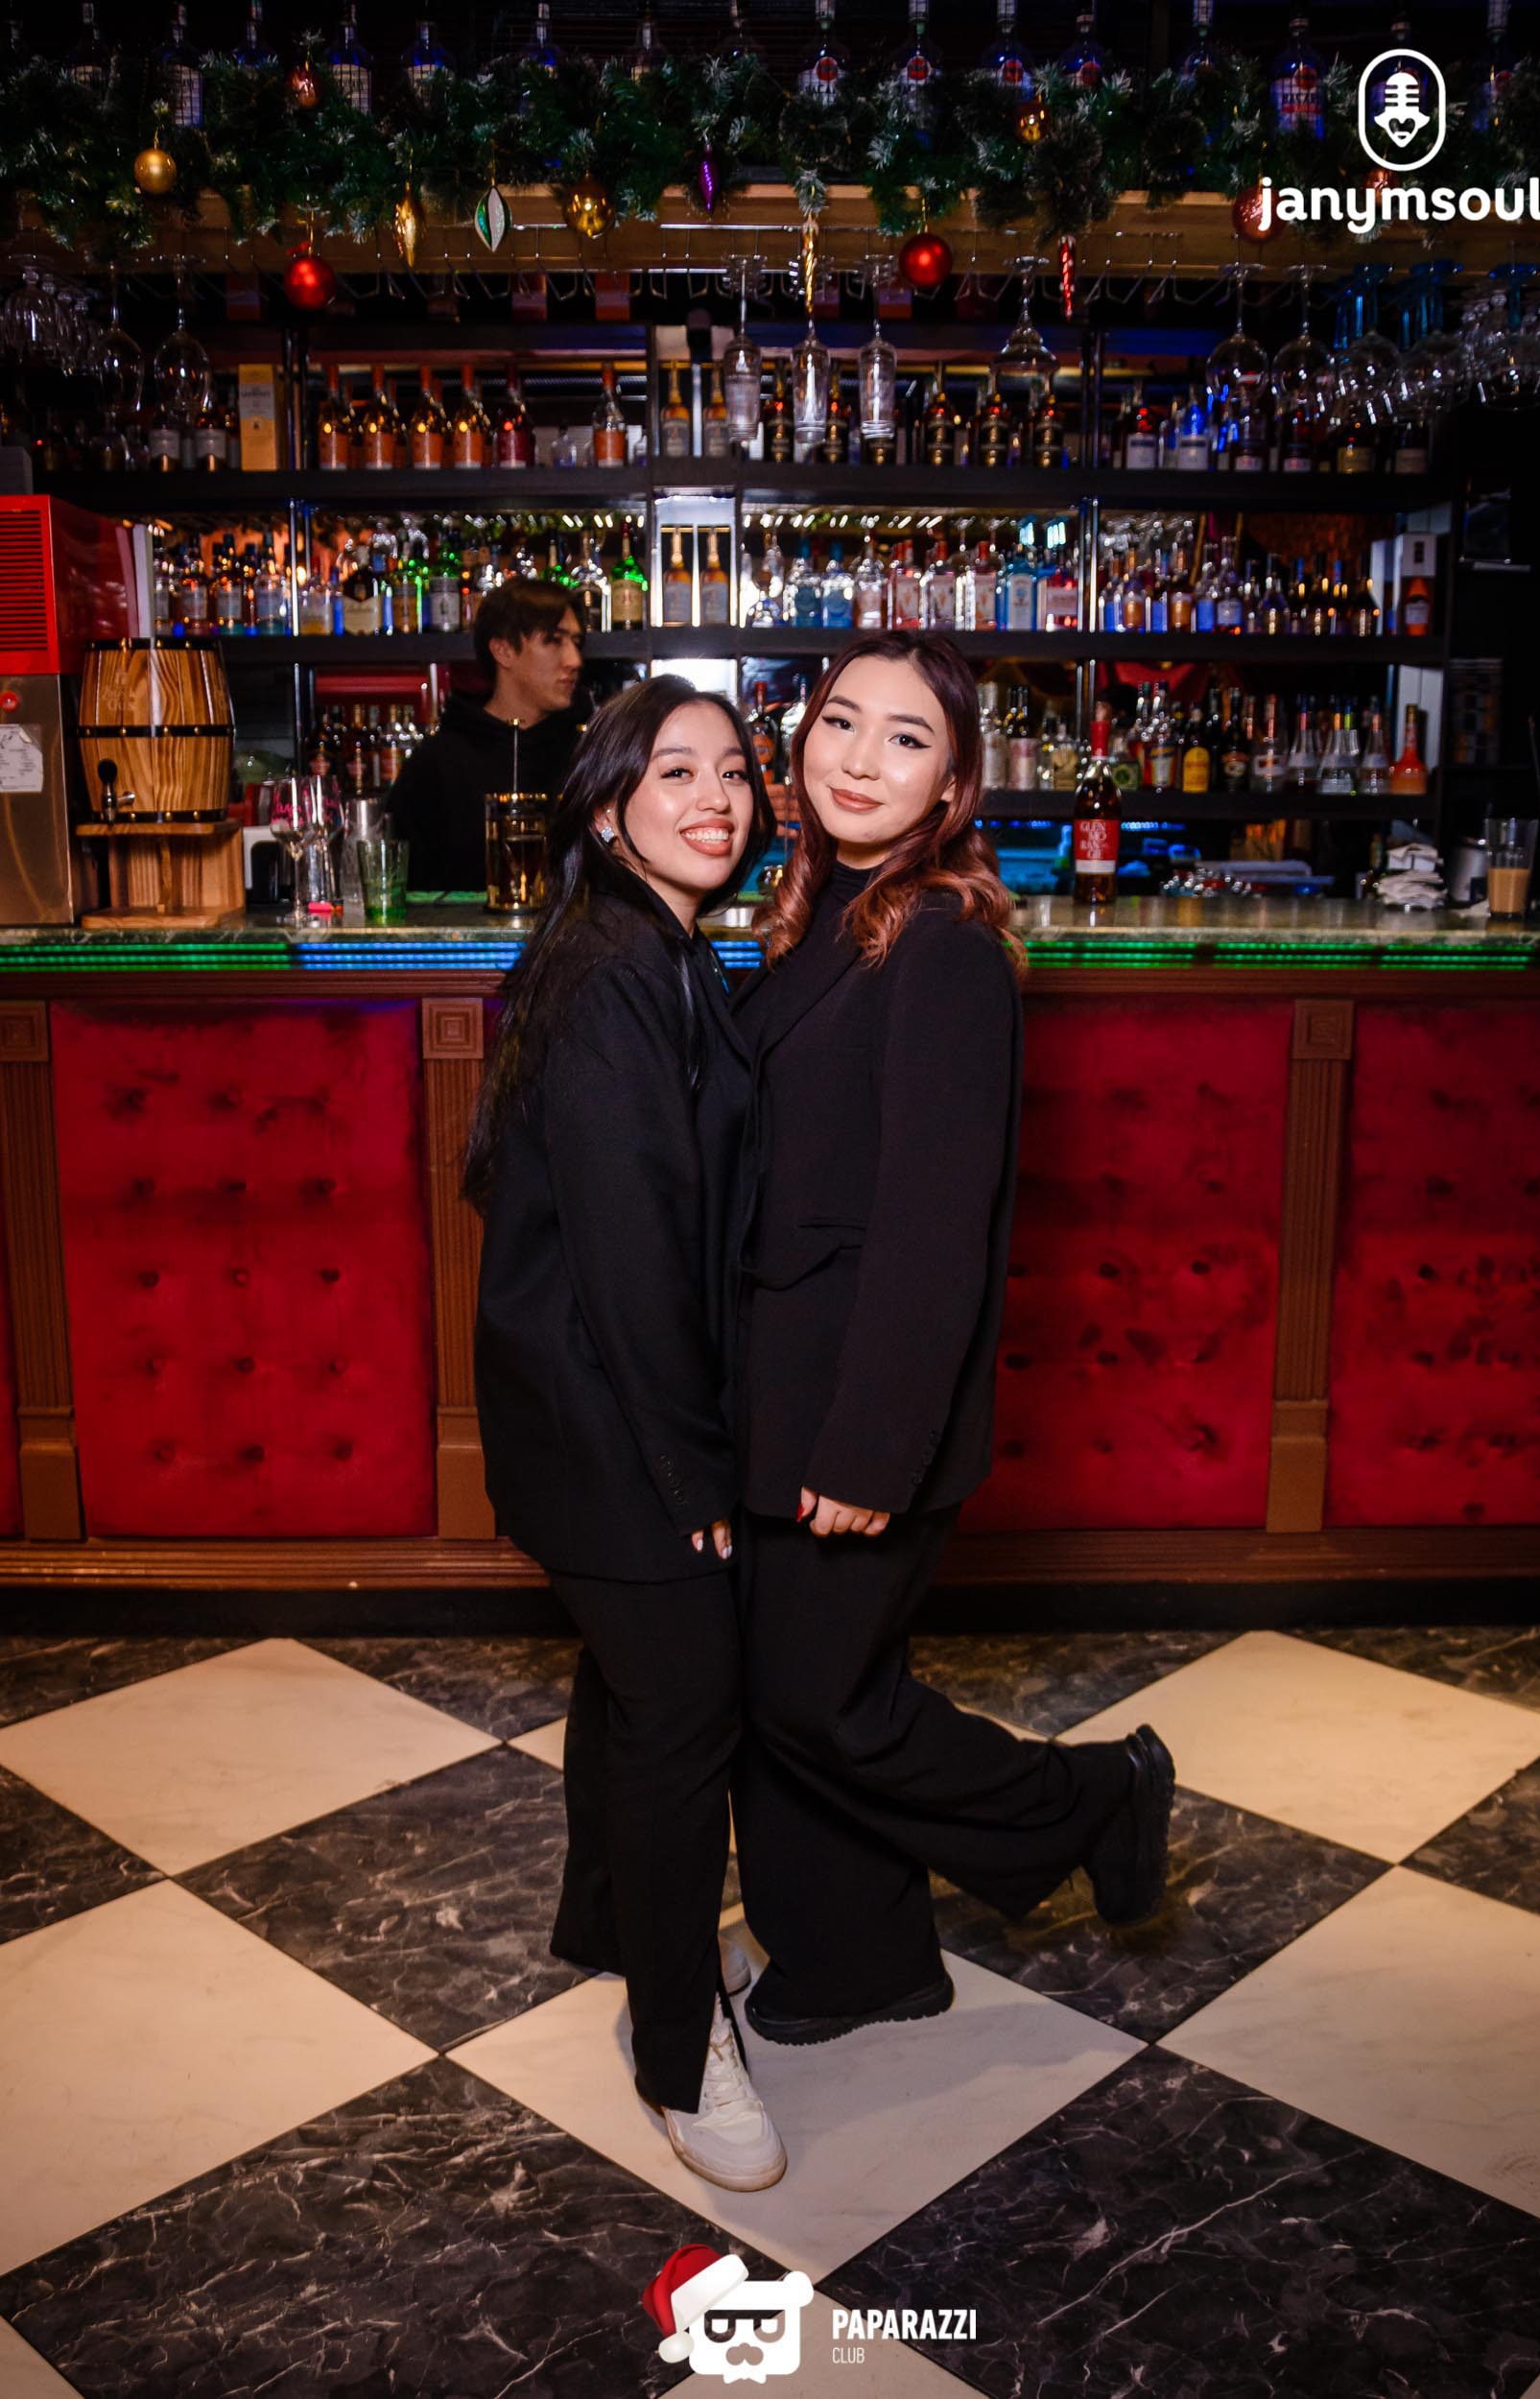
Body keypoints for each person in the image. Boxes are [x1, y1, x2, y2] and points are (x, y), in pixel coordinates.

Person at [728, 630, 1176, 2045]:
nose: (860, 759)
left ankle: (1089, 1797)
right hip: (772, 1385)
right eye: (838, 722)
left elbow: (936, 1227)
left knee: (817, 1701)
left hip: (858, 1405)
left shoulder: (942, 948)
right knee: (786, 1695)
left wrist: (872, 1448)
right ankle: (857, 1957)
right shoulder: (817, 914)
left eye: (904, 738)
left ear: (953, 785)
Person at [466, 674, 784, 2187]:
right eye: (676, 772)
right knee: (683, 1712)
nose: (716, 797)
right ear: (607, 809)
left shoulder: (651, 944)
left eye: (732, 770)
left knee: (630, 1685)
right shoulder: (611, 972)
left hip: (591, 1412)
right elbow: (629, 1251)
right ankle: (676, 2047)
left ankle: (612, 1922)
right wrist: (688, 1469)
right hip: (607, 1425)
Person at [390, 579, 585, 893]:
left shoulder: (589, 755)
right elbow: (405, 893)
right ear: (503, 650)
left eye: (576, 642)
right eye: (554, 641)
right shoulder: (437, 763)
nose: (574, 660)